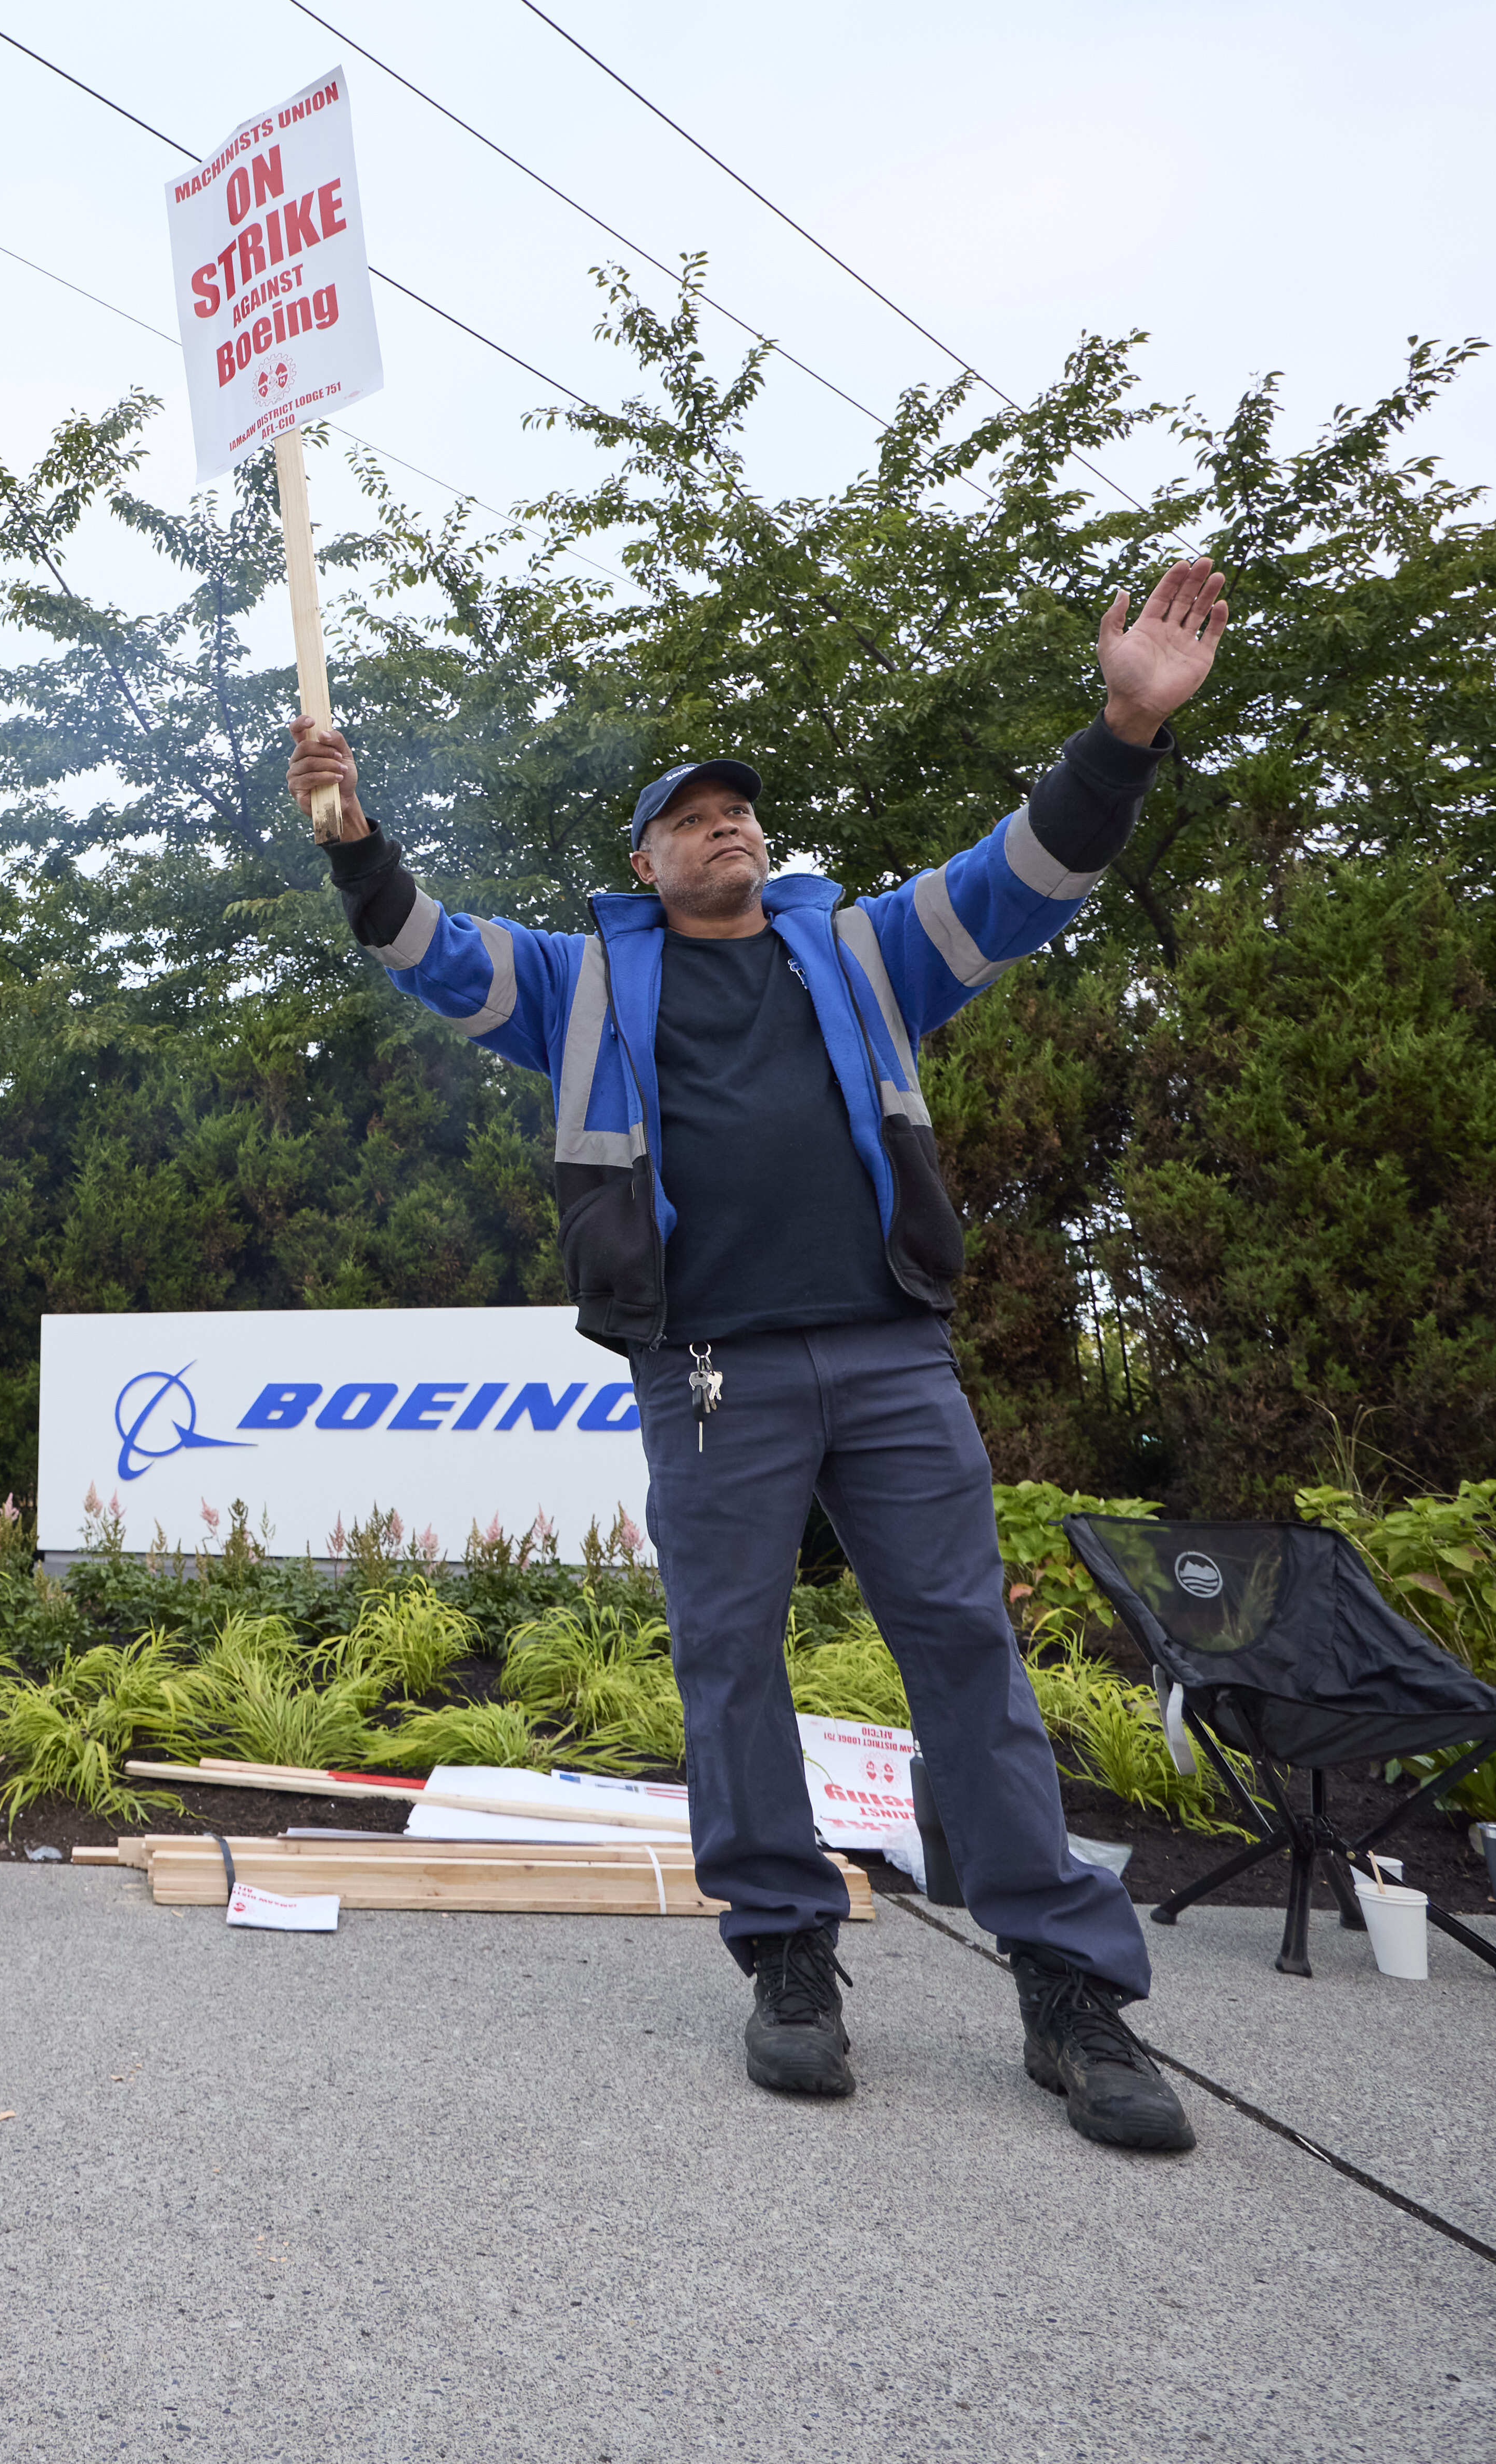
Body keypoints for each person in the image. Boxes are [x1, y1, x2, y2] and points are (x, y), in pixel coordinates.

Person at [283, 560, 1231, 2155]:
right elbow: (432, 955)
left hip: (888, 1358)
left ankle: (1072, 1996)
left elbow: (1024, 877)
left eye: (744, 812)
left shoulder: (867, 951)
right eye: (693, 816)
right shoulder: (584, 980)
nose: (729, 825)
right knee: (730, 1665)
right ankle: (789, 1961)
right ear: (645, 860)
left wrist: (1126, 726)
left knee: (968, 1663)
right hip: (707, 1369)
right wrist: (355, 837)